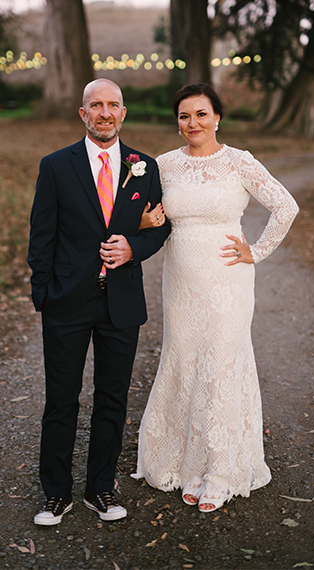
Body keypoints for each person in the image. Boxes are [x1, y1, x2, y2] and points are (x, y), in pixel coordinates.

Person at [131, 83, 298, 513]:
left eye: (201, 115)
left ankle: (220, 472)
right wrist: (146, 221)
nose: (193, 124)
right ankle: (188, 464)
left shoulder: (239, 161)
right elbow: (140, 215)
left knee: (221, 363)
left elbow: (285, 206)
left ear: (217, 117)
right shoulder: (163, 166)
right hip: (181, 281)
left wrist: (256, 251)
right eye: (185, 116)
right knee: (185, 360)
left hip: (228, 280)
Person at [28, 78, 172, 525]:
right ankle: (56, 492)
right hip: (66, 303)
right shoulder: (55, 166)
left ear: (123, 113)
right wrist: (44, 297)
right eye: (96, 105)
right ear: (83, 113)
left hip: (122, 304)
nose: (105, 113)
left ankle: (100, 488)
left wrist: (134, 247)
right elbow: (41, 237)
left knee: (112, 398)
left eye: (113, 105)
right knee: (61, 399)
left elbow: (159, 227)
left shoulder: (144, 167)